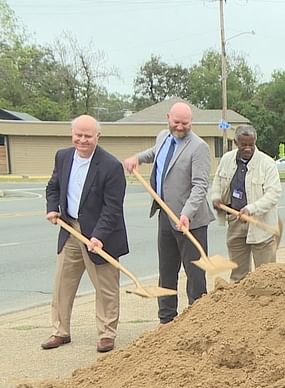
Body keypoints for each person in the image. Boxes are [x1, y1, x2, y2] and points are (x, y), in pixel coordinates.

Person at [123, 102, 214, 324]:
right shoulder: (164, 136)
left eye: (185, 123)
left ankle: (197, 321)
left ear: (191, 122)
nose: (181, 127)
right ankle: (167, 320)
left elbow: (201, 185)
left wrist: (187, 213)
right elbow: (156, 153)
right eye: (176, 122)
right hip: (165, 215)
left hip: (189, 221)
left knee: (195, 275)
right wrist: (137, 158)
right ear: (168, 118)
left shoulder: (199, 147)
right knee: (166, 271)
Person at [43, 115, 128, 353]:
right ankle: (60, 331)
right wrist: (52, 209)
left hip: (102, 234)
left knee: (106, 287)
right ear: (72, 135)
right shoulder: (63, 156)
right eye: (78, 135)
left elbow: (113, 208)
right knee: (62, 282)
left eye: (87, 136)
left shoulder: (111, 166)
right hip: (70, 228)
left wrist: (99, 235)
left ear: (97, 137)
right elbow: (53, 186)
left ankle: (106, 334)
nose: (82, 140)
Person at [210, 125, 282, 282]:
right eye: (244, 145)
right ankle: (240, 304)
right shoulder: (227, 160)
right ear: (236, 142)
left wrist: (251, 209)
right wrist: (216, 197)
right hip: (235, 221)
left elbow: (273, 194)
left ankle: (264, 304)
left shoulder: (267, 163)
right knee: (238, 276)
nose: (248, 148)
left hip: (260, 223)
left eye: (251, 144)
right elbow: (217, 183)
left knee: (266, 276)